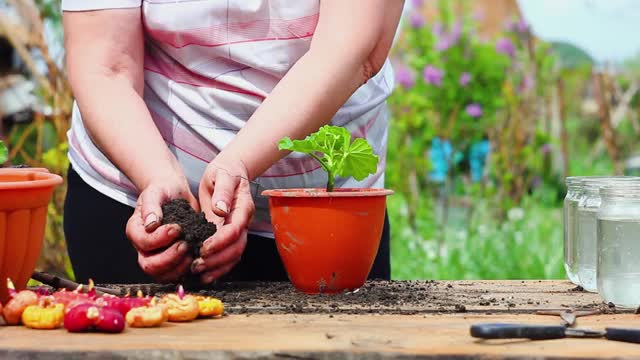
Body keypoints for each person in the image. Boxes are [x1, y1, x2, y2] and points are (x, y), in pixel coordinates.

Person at [61, 0, 403, 285]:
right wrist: (156, 177)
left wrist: (238, 163)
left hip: (324, 215)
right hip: (136, 194)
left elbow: (352, 49)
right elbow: (106, 67)